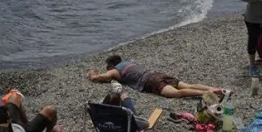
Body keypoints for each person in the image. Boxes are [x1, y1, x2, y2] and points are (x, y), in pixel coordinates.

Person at [87, 55, 227, 99]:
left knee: (176, 94)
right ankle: (219, 89)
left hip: (151, 82)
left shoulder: (115, 70)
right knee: (188, 85)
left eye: (107, 67)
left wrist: (92, 73)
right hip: (157, 74)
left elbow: (97, 78)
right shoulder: (128, 63)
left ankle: (208, 93)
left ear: (111, 65)